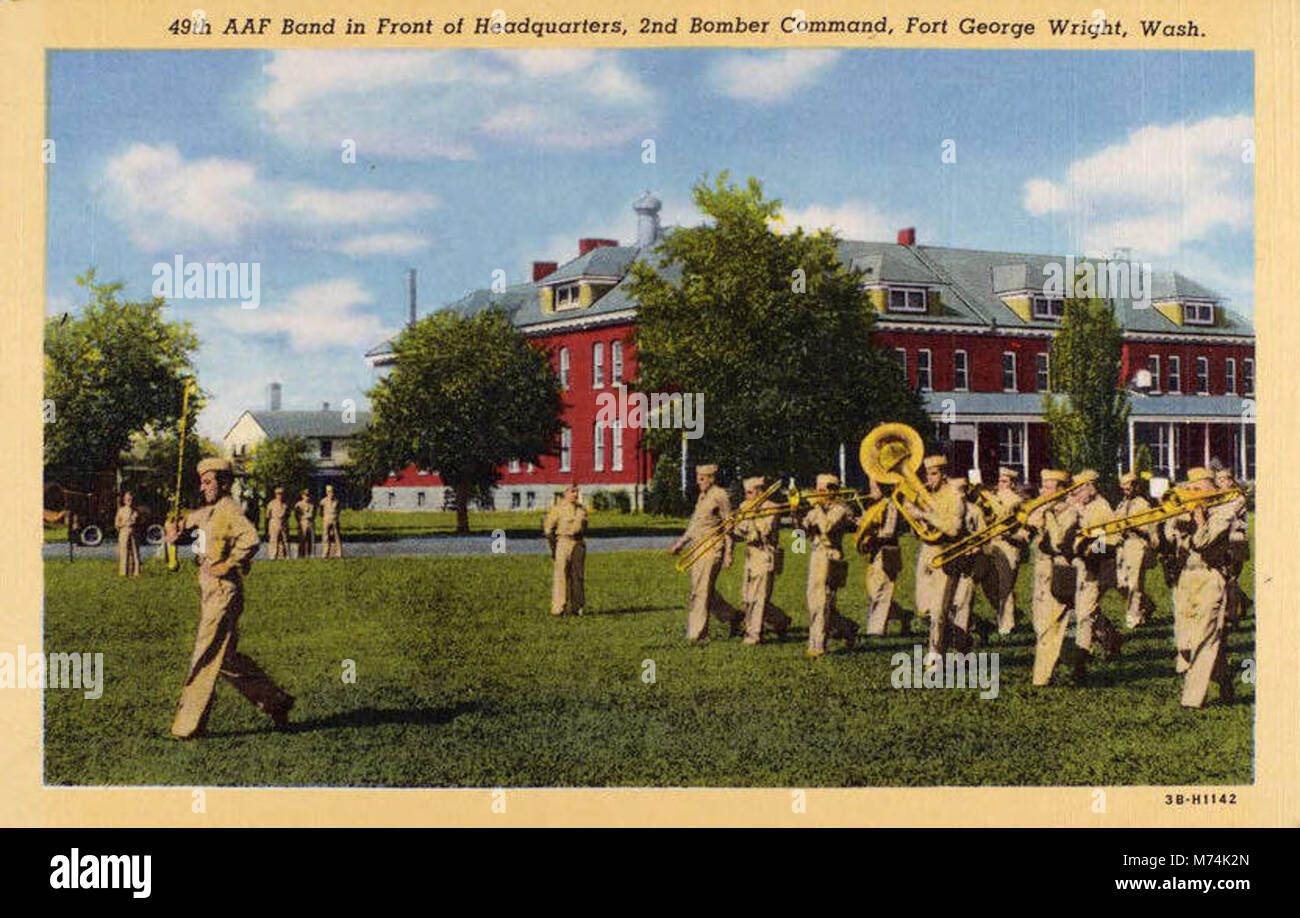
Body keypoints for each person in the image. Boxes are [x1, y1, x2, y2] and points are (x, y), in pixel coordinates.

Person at [163, 457, 294, 738]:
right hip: (209, 590)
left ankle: (187, 727)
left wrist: (227, 564)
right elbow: (192, 530)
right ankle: (276, 701)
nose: (203, 487)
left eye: (208, 482)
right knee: (226, 659)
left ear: (224, 484)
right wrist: (176, 533)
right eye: (202, 481)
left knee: (205, 653)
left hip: (223, 592)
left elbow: (251, 539)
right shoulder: (208, 512)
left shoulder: (230, 511)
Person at [1164, 467, 1237, 707]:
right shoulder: (1186, 508)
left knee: (1204, 638)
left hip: (1209, 577)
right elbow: (1167, 537)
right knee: (1184, 641)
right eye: (1190, 489)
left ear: (1210, 489)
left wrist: (1199, 517)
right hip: (1185, 578)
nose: (1191, 493)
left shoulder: (1225, 510)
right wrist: (1173, 515)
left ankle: (1191, 700)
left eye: (1197, 489)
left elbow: (1203, 541)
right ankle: (1225, 679)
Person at [1055, 469, 1124, 670]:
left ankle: (1080, 656)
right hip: (1081, 565)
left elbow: (1108, 539)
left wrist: (1090, 550)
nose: (1075, 494)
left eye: (1079, 489)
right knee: (1086, 607)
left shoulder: (1101, 508)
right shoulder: (1083, 506)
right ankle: (1111, 637)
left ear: (1090, 487)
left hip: (1095, 566)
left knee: (1085, 612)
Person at [901, 455, 965, 659]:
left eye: (934, 474)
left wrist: (923, 515)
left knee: (938, 610)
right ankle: (960, 639)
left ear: (944, 474)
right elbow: (917, 531)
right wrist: (912, 516)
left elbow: (954, 529)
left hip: (946, 553)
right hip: (926, 552)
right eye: (927, 474)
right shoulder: (926, 494)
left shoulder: (954, 495)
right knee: (925, 608)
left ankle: (935, 656)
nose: (929, 479)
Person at [669, 464, 741, 642]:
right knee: (701, 589)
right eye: (697, 477)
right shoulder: (703, 496)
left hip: (712, 548)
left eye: (701, 478)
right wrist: (680, 543)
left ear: (711, 478)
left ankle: (697, 635)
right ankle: (733, 616)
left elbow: (728, 527)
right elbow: (695, 525)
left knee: (701, 592)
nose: (698, 482)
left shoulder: (720, 495)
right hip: (697, 548)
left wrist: (729, 553)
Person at [1022, 470, 1078, 685]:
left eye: (1048, 487)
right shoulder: (1043, 509)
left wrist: (1048, 514)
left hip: (1059, 570)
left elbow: (1058, 541)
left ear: (1061, 491)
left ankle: (1041, 678)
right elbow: (1027, 527)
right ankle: (1075, 661)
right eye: (1042, 486)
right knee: (1041, 624)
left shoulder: (1070, 513)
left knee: (1049, 625)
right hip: (1041, 571)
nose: (1042, 491)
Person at [800, 474, 860, 656]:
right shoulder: (817, 510)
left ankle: (817, 645)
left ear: (832, 491)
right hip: (816, 556)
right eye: (816, 489)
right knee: (814, 602)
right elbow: (800, 536)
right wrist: (797, 514)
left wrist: (816, 508)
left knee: (822, 602)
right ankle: (848, 627)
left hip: (831, 556)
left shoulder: (841, 509)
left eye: (821, 490)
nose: (816, 494)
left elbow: (827, 527)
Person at [730, 476, 791, 645]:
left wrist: (749, 518)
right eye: (745, 493)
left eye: (749, 493)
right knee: (747, 598)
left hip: (765, 556)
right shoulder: (744, 506)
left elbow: (761, 533)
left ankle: (754, 635)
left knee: (758, 598)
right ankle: (781, 621)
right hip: (750, 556)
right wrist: (733, 527)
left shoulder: (772, 508)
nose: (746, 496)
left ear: (760, 492)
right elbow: (739, 533)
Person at [854, 479, 908, 635]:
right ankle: (903, 615)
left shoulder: (891, 505)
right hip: (874, 552)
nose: (870, 491)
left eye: (874, 488)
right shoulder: (875, 506)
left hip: (887, 551)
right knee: (874, 592)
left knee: (881, 591)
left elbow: (889, 531)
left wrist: (871, 532)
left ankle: (875, 631)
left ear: (883, 488)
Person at [984, 468, 1025, 635]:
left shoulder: (1014, 500)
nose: (1000, 485)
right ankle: (1010, 615)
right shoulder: (995, 497)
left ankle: (1007, 626)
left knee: (1005, 586)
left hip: (1008, 546)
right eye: (999, 481)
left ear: (1012, 484)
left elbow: (1003, 514)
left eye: (1004, 481)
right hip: (992, 544)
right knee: (989, 585)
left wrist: (986, 495)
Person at [1114, 472, 1157, 628]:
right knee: (1121, 584)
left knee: (1134, 583)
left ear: (1136, 486)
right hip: (1122, 545)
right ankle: (1148, 604)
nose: (1125, 492)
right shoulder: (1122, 504)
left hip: (1136, 544)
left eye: (1128, 488)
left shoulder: (1142, 504)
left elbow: (1149, 528)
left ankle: (1134, 616)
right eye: (1123, 489)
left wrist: (1133, 527)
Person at [543, 483, 587, 617]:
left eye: (576, 491)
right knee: (561, 576)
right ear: (565, 493)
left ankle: (577, 607)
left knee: (577, 576)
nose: (575, 494)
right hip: (563, 541)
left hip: (578, 543)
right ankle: (558, 608)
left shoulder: (581, 510)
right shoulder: (557, 509)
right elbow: (548, 530)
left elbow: (585, 526)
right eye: (572, 491)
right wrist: (553, 547)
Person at [1213, 465, 1250, 625]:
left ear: (1230, 481)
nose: (1220, 483)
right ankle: (1244, 601)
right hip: (1222, 541)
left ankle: (1231, 615)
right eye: (1218, 480)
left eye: (1223, 480)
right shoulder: (1219, 497)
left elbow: (1227, 515)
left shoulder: (1238, 498)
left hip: (1235, 540)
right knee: (1224, 576)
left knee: (1231, 577)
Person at [115, 491, 141, 577]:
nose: (129, 501)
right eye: (127, 499)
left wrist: (135, 521)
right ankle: (123, 572)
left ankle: (136, 572)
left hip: (134, 532)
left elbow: (140, 522)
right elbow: (116, 524)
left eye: (131, 499)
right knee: (123, 552)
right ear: (124, 501)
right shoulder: (121, 510)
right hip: (123, 532)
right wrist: (124, 525)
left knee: (135, 552)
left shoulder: (136, 511)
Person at [265, 487, 291, 560]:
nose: (280, 496)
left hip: (283, 523)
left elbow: (288, 515)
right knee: (274, 540)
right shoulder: (271, 504)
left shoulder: (285, 505)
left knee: (285, 540)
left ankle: (285, 556)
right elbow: (267, 516)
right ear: (275, 495)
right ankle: (272, 556)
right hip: (274, 522)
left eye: (281, 494)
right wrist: (267, 527)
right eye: (278, 494)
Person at [320, 484, 343, 558]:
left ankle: (339, 553)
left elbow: (339, 510)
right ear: (326, 492)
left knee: (337, 537)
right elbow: (320, 512)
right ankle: (325, 553)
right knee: (325, 537)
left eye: (332, 492)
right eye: (329, 492)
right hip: (326, 520)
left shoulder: (337, 501)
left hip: (335, 520)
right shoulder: (323, 501)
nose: (331, 493)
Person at [295, 489, 315, 558]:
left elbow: (312, 514)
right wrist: (303, 518)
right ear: (302, 496)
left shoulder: (312, 505)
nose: (307, 497)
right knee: (302, 539)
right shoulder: (298, 504)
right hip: (302, 523)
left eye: (308, 496)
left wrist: (306, 516)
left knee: (310, 540)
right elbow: (297, 515)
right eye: (306, 495)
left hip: (310, 523)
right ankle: (300, 554)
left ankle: (309, 554)